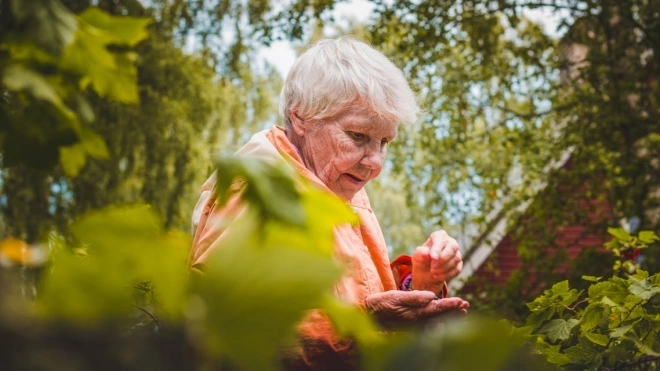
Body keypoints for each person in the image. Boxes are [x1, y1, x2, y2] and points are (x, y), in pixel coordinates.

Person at [189, 36, 469, 370]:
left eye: (384, 142)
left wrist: (420, 282)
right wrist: (366, 323)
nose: (376, 162)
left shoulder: (339, 184)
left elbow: (357, 292)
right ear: (301, 118)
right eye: (358, 136)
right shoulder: (257, 190)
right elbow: (219, 330)